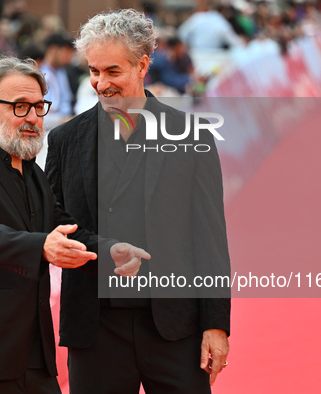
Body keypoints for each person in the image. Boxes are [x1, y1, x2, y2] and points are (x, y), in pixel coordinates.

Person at [0, 56, 150, 393]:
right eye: (19, 107)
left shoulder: (31, 171)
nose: (32, 118)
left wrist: (109, 251)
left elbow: (64, 226)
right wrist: (39, 246)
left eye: (38, 107)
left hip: (36, 361)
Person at [46, 8, 231, 393]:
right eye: (94, 72)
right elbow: (54, 220)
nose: (100, 83)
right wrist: (103, 248)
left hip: (174, 326)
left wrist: (216, 324)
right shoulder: (65, 141)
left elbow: (210, 236)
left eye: (112, 71)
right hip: (95, 329)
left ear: (143, 64)